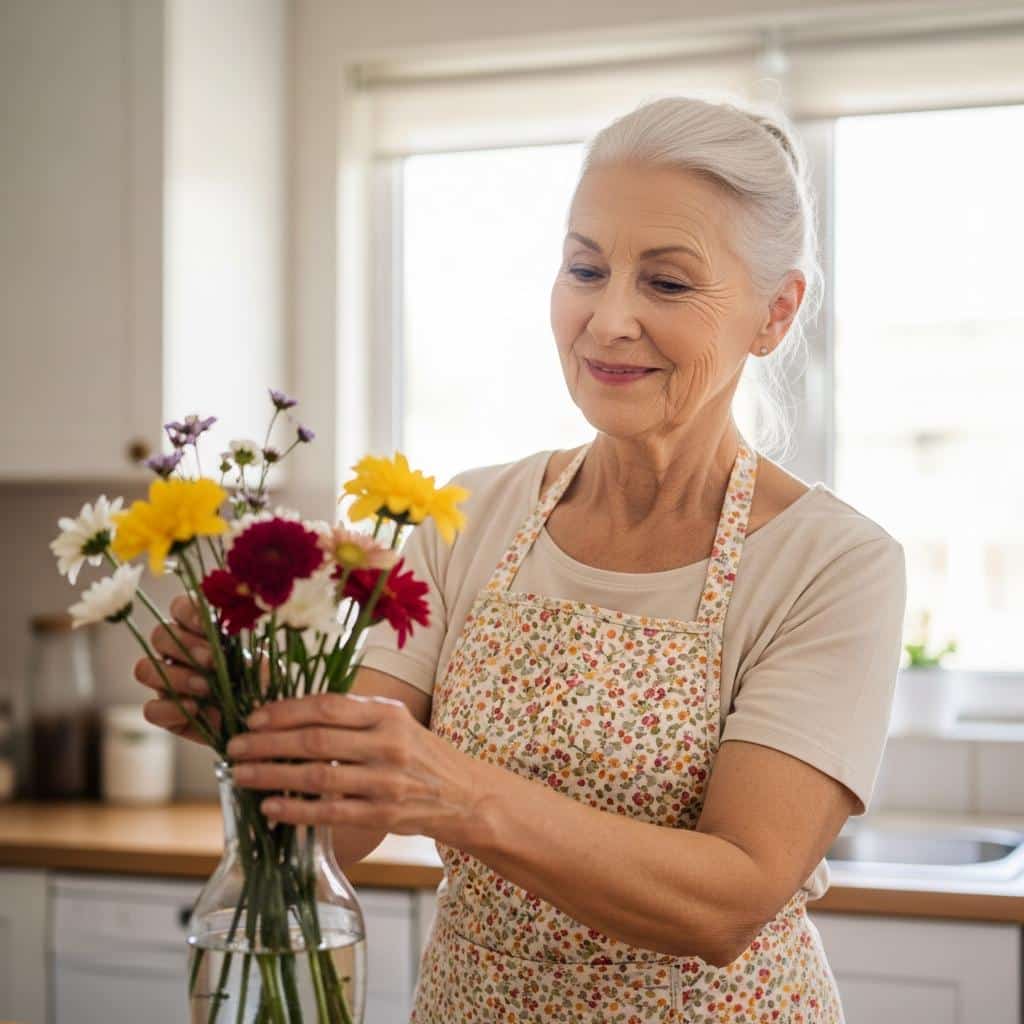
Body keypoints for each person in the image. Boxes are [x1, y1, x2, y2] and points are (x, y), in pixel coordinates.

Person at [137, 95, 907, 1021]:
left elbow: (730, 898)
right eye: (585, 268)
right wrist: (258, 731)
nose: (609, 318)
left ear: (775, 313)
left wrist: (459, 793)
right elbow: (348, 827)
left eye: (665, 284)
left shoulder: (833, 564)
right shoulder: (470, 520)